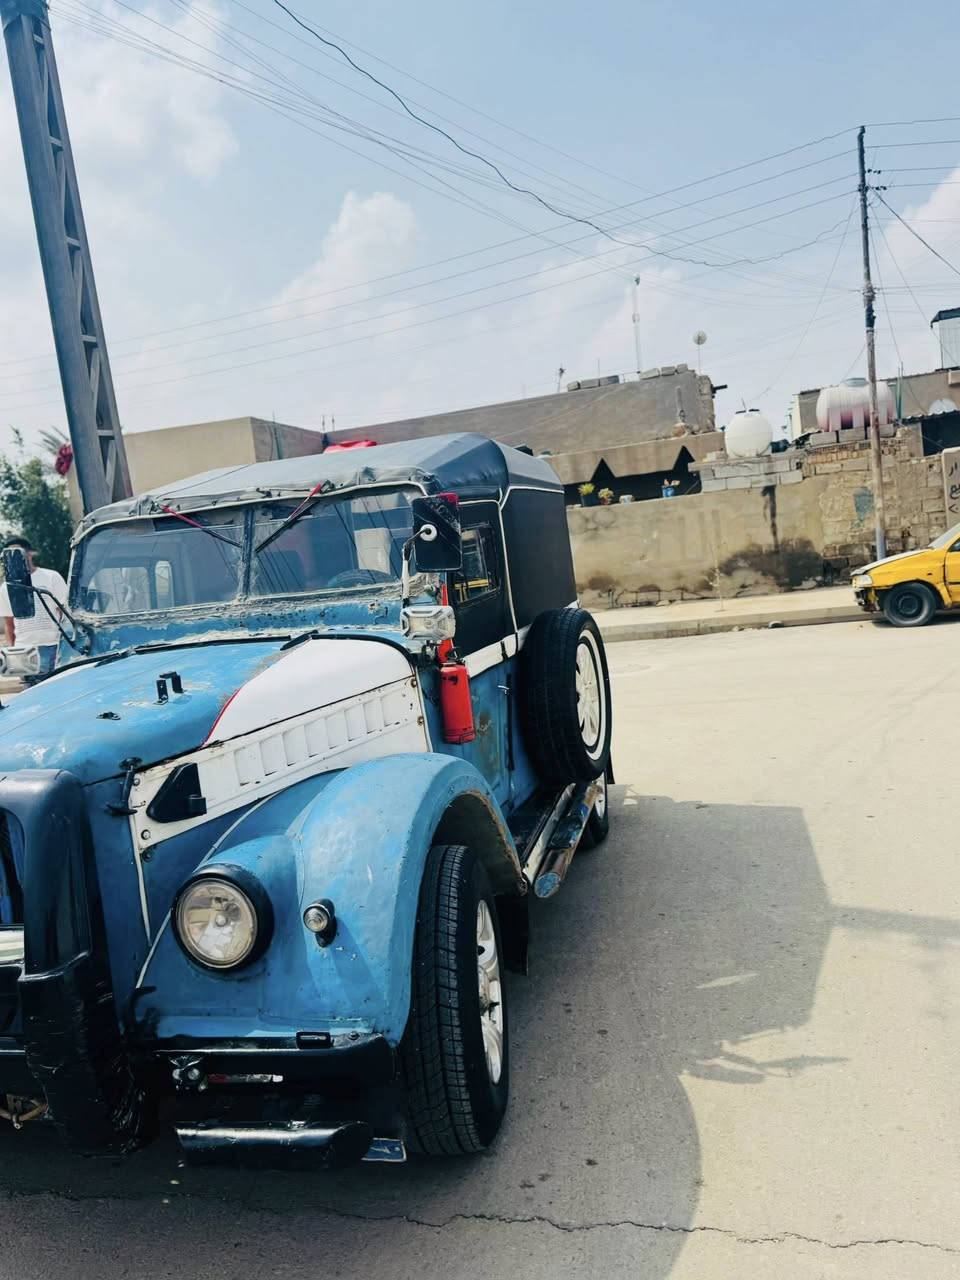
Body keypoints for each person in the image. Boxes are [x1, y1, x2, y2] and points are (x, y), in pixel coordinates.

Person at [0, 535, 68, 675]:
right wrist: (14, 651)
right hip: (24, 649)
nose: (13, 557)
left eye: (17, 552)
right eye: (9, 554)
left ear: (30, 553)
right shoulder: (6, 587)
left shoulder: (51, 577)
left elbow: (65, 613)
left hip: (52, 646)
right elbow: (9, 622)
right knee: (31, 688)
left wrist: (64, 646)